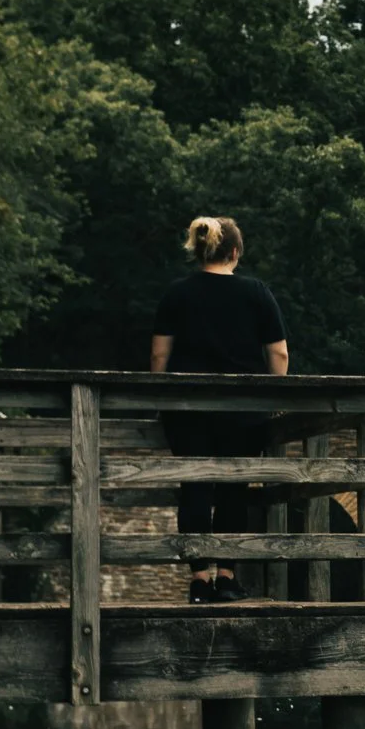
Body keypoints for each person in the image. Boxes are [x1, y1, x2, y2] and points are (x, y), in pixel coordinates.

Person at [151, 217, 289, 602]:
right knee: (234, 491)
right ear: (234, 252)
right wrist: (274, 397)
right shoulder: (257, 293)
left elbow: (160, 352)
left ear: (199, 250)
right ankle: (227, 577)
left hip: (187, 410)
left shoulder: (176, 294)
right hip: (243, 411)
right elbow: (277, 352)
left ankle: (199, 580)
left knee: (194, 488)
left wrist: (158, 396)